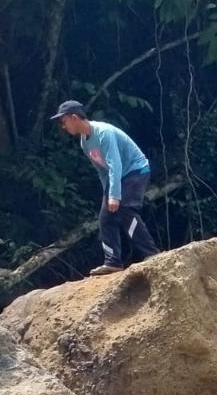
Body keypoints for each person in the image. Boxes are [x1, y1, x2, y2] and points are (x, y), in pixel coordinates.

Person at [50, 100, 160, 276]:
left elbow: (115, 164)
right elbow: (102, 170)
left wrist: (115, 196)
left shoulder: (103, 133)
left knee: (125, 209)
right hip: (116, 176)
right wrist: (107, 194)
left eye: (64, 122)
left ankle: (151, 253)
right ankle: (113, 262)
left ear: (74, 117)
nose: (63, 126)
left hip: (135, 170)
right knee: (105, 217)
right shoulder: (84, 142)